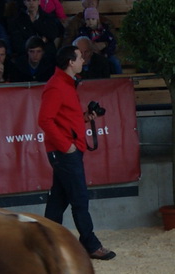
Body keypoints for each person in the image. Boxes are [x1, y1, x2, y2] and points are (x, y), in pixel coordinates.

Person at [38, 45, 115, 260]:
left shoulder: (64, 84)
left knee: (59, 199)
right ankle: (90, 244)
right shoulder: (57, 86)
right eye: (80, 57)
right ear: (71, 62)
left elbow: (62, 118)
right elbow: (44, 120)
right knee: (79, 197)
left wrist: (84, 118)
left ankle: (47, 242)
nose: (83, 60)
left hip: (68, 149)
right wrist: (66, 146)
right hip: (65, 151)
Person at [77, 6, 120, 74]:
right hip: (90, 55)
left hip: (105, 53)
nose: (90, 21)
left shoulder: (105, 30)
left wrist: (107, 52)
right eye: (88, 19)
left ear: (97, 20)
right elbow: (82, 42)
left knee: (115, 62)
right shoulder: (83, 31)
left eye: (93, 19)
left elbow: (112, 42)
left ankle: (120, 79)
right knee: (85, 65)